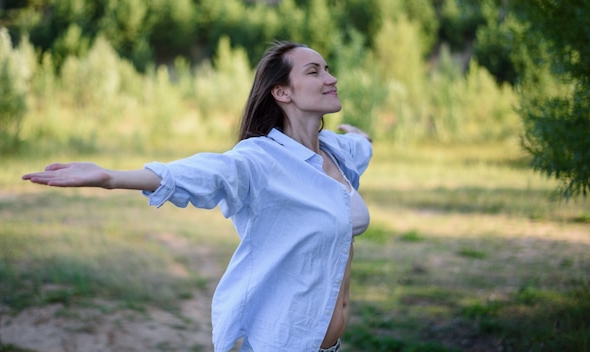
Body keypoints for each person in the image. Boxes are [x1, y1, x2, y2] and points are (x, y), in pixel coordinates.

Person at [22, 41, 373, 352]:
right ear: (282, 92)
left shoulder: (337, 152)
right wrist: (111, 178)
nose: (331, 78)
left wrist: (363, 137)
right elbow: (205, 171)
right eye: (315, 71)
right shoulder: (260, 160)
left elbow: (360, 148)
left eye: (328, 69)